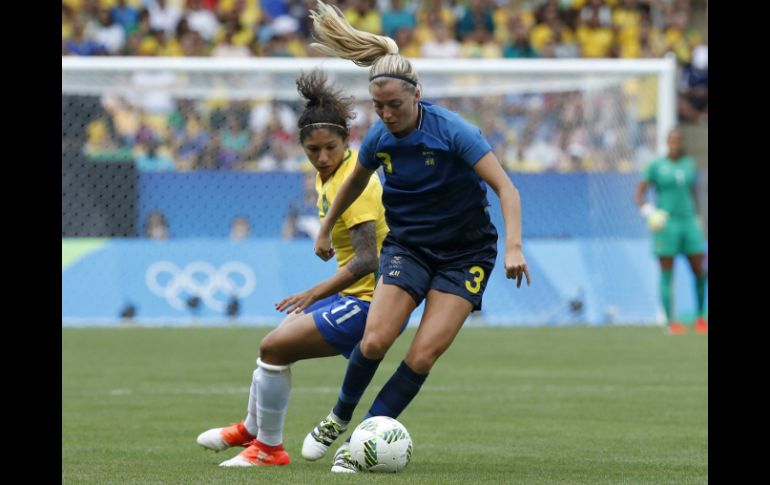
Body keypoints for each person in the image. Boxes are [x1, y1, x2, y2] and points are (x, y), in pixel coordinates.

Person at [300, 2, 530, 473]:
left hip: (466, 255)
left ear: (417, 95)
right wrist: (325, 227)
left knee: (422, 354)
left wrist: (513, 246)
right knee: (374, 341)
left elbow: (506, 187)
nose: (386, 114)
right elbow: (354, 182)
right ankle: (338, 416)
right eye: (378, 106)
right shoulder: (382, 138)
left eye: (395, 106)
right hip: (408, 248)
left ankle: (362, 441)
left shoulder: (455, 132)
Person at [196, 69, 395, 467]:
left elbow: (368, 258)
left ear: (347, 141)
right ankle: (252, 430)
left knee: (273, 346)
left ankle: (269, 449)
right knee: (276, 342)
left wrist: (313, 292)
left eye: (330, 148)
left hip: (372, 301)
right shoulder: (333, 173)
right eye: (313, 150)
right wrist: (324, 232)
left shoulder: (353, 183)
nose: (322, 157)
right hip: (352, 295)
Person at [635, 127, 708, 335]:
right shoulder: (656, 166)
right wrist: (648, 211)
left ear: (682, 142)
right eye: (672, 140)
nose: (675, 144)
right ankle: (669, 321)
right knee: (667, 272)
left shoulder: (689, 165)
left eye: (679, 140)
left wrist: (698, 218)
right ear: (667, 143)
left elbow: (693, 194)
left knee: (700, 271)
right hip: (667, 225)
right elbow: (639, 193)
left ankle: (701, 318)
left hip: (689, 222)